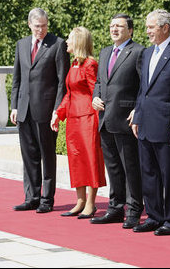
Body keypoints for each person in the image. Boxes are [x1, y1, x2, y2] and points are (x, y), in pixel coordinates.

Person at [131, 9, 170, 235]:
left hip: (167, 126)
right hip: (146, 123)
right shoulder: (147, 53)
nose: (147, 31)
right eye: (147, 27)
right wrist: (137, 116)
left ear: (165, 28)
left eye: (151, 27)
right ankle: (154, 216)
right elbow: (143, 90)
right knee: (148, 173)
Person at [10, 8, 70, 213]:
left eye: (44, 26)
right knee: (29, 155)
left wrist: (57, 110)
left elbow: (63, 81)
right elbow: (16, 79)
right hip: (24, 110)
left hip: (46, 110)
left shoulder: (58, 44)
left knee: (47, 155)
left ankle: (46, 199)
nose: (41, 30)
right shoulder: (21, 44)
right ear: (29, 25)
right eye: (37, 26)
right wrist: (14, 106)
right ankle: (31, 197)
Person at [90, 14, 144, 229]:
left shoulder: (139, 52)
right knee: (113, 168)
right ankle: (115, 208)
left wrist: (138, 109)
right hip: (105, 118)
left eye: (119, 26)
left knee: (130, 169)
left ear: (130, 30)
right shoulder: (104, 52)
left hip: (126, 120)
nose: (114, 29)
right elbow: (100, 81)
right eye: (112, 25)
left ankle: (133, 210)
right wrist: (95, 95)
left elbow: (144, 85)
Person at [50, 26, 106, 219]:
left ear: (79, 42)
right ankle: (80, 202)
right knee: (76, 160)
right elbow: (69, 94)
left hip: (88, 119)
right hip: (73, 119)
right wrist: (59, 113)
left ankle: (91, 203)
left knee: (90, 160)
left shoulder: (90, 64)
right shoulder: (74, 63)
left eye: (70, 39)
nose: (66, 42)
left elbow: (95, 92)